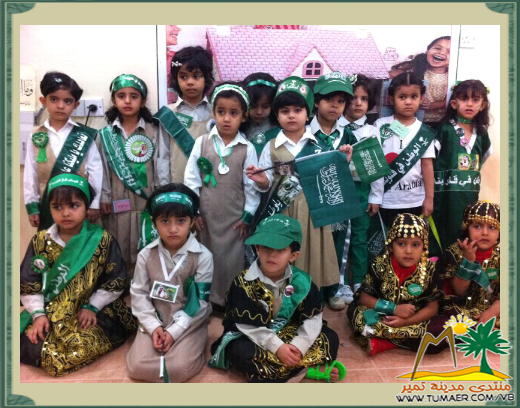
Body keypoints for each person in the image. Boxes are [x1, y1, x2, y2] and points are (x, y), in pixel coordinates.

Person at [20, 173, 137, 376]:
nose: (65, 213)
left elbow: (115, 281)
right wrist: (38, 315)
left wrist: (92, 307)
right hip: (51, 309)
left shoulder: (102, 239)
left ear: (86, 206)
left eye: (74, 206)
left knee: (75, 348)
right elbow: (29, 282)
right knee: (33, 343)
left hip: (92, 310)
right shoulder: (40, 241)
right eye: (57, 207)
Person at [209, 215, 343, 383]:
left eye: (280, 250)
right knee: (239, 352)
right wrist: (278, 348)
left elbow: (313, 319)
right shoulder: (242, 283)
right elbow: (246, 325)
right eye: (266, 247)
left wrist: (298, 346)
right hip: (257, 337)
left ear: (293, 255)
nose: (271, 255)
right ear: (257, 249)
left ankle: (282, 368)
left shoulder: (303, 282)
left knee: (330, 338)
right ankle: (303, 369)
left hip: (290, 332)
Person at [246, 76, 341, 302]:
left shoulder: (319, 145)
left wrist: (342, 161)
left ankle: (311, 296)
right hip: (283, 210)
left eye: (297, 110)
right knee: (282, 250)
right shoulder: (270, 145)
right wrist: (261, 181)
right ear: (277, 116)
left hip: (312, 210)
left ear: (308, 114)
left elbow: (329, 180)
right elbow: (266, 183)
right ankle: (283, 296)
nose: (291, 115)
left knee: (311, 250)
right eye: (284, 111)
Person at [126, 183, 213, 382]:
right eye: (164, 221)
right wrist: (153, 326)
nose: (173, 229)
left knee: (179, 369)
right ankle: (157, 337)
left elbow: (200, 302)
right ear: (154, 222)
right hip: (156, 316)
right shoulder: (146, 255)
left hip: (189, 320)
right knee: (137, 367)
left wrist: (174, 332)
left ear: (192, 221)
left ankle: (192, 343)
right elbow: (139, 294)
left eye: (181, 220)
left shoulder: (203, 256)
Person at [184, 83, 260, 309]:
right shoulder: (202, 142)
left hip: (234, 218)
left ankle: (229, 299)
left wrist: (247, 216)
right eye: (221, 112)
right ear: (213, 113)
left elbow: (251, 187)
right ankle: (206, 299)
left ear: (244, 116)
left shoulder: (247, 148)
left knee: (231, 260)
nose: (227, 118)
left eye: (234, 113)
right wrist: (194, 212)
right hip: (206, 215)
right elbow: (191, 180)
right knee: (206, 257)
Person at [347, 213, 446, 356]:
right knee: (357, 314)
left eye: (415, 245)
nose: (408, 251)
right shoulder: (379, 265)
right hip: (383, 316)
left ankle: (383, 343)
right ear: (391, 245)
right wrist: (394, 309)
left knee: (442, 330)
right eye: (401, 244)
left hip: (414, 320)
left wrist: (405, 322)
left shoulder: (429, 269)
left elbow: (432, 308)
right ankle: (395, 339)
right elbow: (364, 298)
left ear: (424, 247)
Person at [23, 71, 103, 231]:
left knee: (82, 243)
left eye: (67, 101)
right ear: (43, 101)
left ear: (76, 105)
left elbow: (96, 171)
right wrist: (32, 206)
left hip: (80, 206)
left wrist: (94, 204)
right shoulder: (36, 135)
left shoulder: (84, 135)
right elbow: (31, 174)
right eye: (54, 99)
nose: (60, 106)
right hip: (49, 206)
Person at [98, 74, 157, 277]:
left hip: (147, 199)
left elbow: (160, 165)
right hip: (117, 201)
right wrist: (104, 196)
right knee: (118, 243)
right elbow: (102, 169)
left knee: (146, 246)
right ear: (114, 100)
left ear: (143, 101)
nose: (128, 101)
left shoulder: (154, 131)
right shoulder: (105, 135)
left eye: (134, 96)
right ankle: (119, 285)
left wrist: (161, 194)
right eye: (121, 96)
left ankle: (142, 285)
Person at [307, 71, 355, 310]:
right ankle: (310, 290)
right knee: (312, 244)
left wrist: (348, 163)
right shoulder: (304, 132)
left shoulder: (348, 135)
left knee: (337, 245)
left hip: (338, 200)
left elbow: (358, 171)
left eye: (341, 101)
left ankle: (334, 288)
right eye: (329, 99)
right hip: (311, 201)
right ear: (316, 101)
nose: (335, 105)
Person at [336, 74, 384, 304]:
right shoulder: (335, 128)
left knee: (359, 237)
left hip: (362, 190)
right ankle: (340, 281)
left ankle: (359, 280)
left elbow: (377, 168)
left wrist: (376, 196)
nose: (358, 103)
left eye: (364, 99)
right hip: (339, 190)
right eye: (353, 98)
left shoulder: (371, 131)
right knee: (338, 237)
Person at [430, 80, 492, 257]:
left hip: (468, 195)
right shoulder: (445, 129)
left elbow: (484, 157)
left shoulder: (481, 132)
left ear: (482, 105)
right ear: (454, 103)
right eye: (464, 99)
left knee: (465, 230)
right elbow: (429, 159)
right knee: (443, 233)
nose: (469, 104)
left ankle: (462, 268)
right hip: (444, 196)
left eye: (475, 100)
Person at [374, 72, 436, 231]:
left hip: (415, 200)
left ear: (421, 98)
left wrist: (429, 198)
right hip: (386, 200)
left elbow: (427, 166)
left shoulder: (424, 131)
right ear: (391, 99)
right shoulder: (380, 125)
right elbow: (374, 163)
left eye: (414, 96)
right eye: (402, 97)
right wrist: (374, 197)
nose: (408, 102)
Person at [154, 46, 215, 185]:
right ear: (175, 79)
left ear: (206, 78)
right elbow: (163, 156)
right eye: (183, 76)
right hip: (178, 187)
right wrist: (166, 189)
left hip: (210, 185)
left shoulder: (216, 113)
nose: (190, 82)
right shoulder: (168, 113)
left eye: (196, 76)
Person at [438, 201, 500, 328]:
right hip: (461, 311)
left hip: (496, 309)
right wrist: (468, 261)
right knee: (443, 325)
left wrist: (492, 312)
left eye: (492, 227)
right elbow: (459, 291)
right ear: (467, 228)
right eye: (477, 226)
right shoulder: (453, 252)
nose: (485, 233)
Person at [390, 36, 451, 127]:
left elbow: (450, 97)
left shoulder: (451, 76)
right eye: (437, 48)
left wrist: (433, 105)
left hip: (440, 121)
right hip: (413, 119)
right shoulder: (416, 68)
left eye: (449, 51)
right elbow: (392, 74)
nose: (441, 52)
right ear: (427, 51)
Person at [242, 72, 280, 156]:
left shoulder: (280, 130)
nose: (259, 112)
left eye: (265, 106)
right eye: (253, 106)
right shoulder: (238, 129)